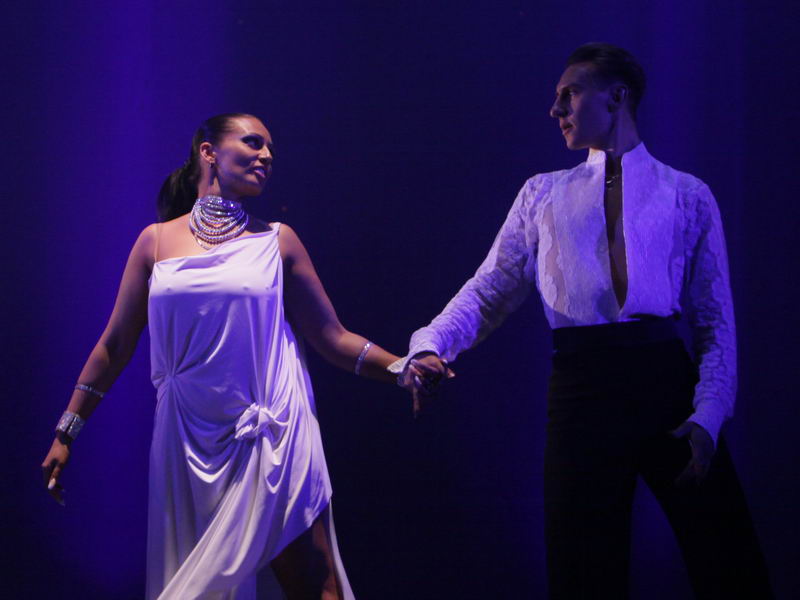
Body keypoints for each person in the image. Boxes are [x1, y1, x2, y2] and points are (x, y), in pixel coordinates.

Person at [400, 44, 772, 598]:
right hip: (583, 389)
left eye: (569, 94)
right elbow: (489, 289)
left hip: (666, 385)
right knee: (582, 571)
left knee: (729, 563)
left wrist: (709, 415)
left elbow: (715, 320)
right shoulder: (542, 193)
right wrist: (431, 343)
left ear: (616, 97)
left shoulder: (687, 195)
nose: (556, 109)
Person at [40, 113, 407, 599]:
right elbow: (114, 345)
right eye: (253, 142)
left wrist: (401, 368)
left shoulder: (276, 240)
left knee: (317, 589)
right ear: (208, 152)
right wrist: (67, 430)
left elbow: (332, 337)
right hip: (188, 439)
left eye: (271, 149)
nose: (267, 156)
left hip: (270, 434)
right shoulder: (155, 242)